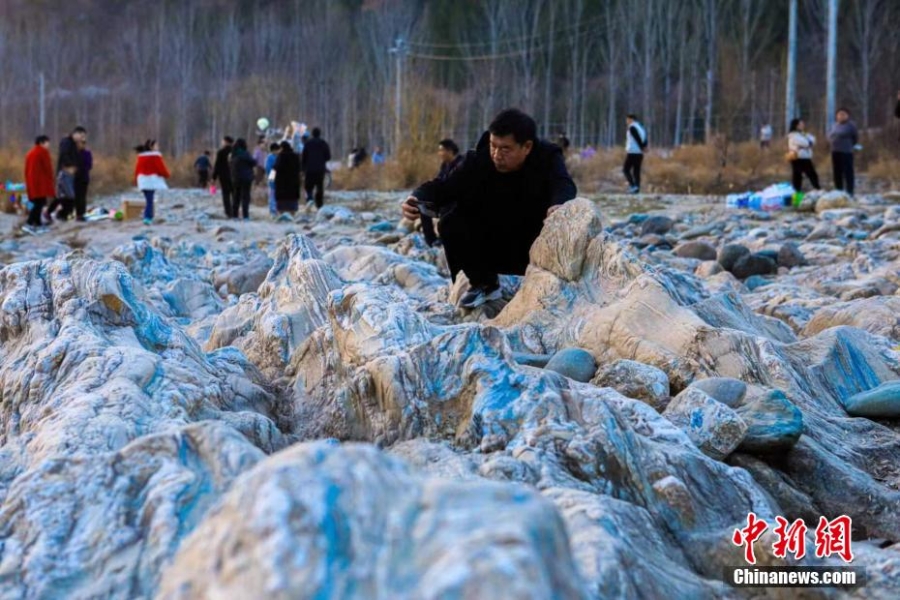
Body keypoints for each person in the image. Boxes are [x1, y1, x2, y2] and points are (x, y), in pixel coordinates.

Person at [401, 108, 576, 308]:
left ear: (527, 147)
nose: (497, 154)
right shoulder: (479, 159)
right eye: (494, 145)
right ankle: (484, 284)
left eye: (505, 149)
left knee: (568, 216)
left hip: (533, 242)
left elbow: (564, 184)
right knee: (450, 220)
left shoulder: (547, 157)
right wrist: (416, 197)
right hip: (492, 244)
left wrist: (558, 205)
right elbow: (444, 187)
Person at [420, 139, 463, 247]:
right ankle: (431, 240)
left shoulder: (462, 163)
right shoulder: (445, 165)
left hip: (459, 201)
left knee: (447, 208)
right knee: (423, 206)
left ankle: (444, 238)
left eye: (442, 150)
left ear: (450, 151)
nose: (440, 153)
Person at [133, 139, 171, 226]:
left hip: (142, 180)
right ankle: (147, 217)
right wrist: (167, 175)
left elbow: (137, 169)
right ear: (151, 147)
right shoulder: (155, 156)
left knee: (148, 199)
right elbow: (161, 168)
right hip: (151, 181)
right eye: (156, 146)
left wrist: (135, 180)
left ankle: (148, 216)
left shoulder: (141, 157)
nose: (158, 147)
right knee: (150, 200)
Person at [23, 135, 55, 235]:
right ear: (42, 143)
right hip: (41, 183)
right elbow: (48, 168)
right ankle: (30, 222)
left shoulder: (30, 153)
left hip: (32, 182)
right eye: (47, 143)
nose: (48, 145)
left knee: (36, 202)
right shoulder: (42, 152)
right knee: (39, 203)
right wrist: (51, 180)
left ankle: (37, 222)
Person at [58, 126, 88, 221]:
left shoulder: (75, 145)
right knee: (69, 195)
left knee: (69, 196)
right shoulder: (67, 142)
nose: (82, 138)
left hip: (72, 173)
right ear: (76, 134)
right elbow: (64, 154)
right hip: (66, 172)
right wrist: (70, 165)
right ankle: (61, 213)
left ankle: (65, 214)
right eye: (81, 136)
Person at [829, 108, 859, 197]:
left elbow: (855, 137)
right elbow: (829, 135)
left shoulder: (851, 125)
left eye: (843, 114)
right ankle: (838, 190)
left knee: (848, 171)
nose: (841, 116)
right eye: (839, 114)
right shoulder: (834, 125)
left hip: (846, 151)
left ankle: (850, 191)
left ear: (847, 115)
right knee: (837, 171)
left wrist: (849, 144)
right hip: (835, 150)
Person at [787, 118, 820, 192]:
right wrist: (809, 142)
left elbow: (813, 139)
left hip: (806, 157)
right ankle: (797, 192)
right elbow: (806, 143)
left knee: (812, 174)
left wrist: (809, 142)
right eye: (800, 124)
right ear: (796, 125)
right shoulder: (793, 135)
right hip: (798, 157)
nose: (802, 125)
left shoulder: (803, 134)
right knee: (798, 176)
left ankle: (817, 189)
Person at [301, 127, 332, 209]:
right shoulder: (323, 143)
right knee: (319, 186)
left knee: (308, 186)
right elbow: (328, 156)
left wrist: (303, 168)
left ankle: (309, 199)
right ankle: (319, 204)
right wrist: (322, 160)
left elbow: (304, 157)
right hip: (320, 169)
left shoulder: (308, 144)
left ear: (312, 134)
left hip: (309, 169)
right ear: (319, 134)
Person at [229, 138, 257, 221]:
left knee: (235, 197)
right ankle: (245, 216)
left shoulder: (233, 154)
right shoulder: (246, 154)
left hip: (236, 178)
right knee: (245, 197)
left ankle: (235, 215)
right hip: (246, 178)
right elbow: (254, 163)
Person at [274, 141, 301, 218]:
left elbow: (275, 168)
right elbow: (299, 168)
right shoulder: (295, 156)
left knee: (282, 200)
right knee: (292, 198)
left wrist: (271, 179)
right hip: (293, 182)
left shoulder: (280, 156)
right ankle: (292, 213)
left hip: (282, 183)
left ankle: (282, 214)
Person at [623, 114, 648, 194]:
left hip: (632, 152)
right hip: (639, 153)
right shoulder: (641, 127)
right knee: (636, 171)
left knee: (626, 169)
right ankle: (637, 188)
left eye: (627, 120)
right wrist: (644, 147)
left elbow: (637, 137)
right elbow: (644, 138)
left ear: (631, 119)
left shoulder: (632, 127)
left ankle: (633, 186)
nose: (626, 121)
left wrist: (641, 147)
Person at [212, 136, 234, 218]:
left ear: (226, 142)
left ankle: (228, 212)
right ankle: (235, 211)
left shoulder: (221, 152)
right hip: (234, 176)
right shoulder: (235, 151)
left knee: (226, 194)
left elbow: (217, 165)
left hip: (223, 175)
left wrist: (214, 177)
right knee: (234, 193)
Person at [265, 142, 280, 217]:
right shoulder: (270, 157)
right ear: (274, 150)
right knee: (272, 194)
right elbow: (268, 169)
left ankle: (276, 210)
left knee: (275, 194)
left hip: (275, 177)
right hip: (272, 176)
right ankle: (272, 210)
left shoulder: (274, 157)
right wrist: (272, 177)